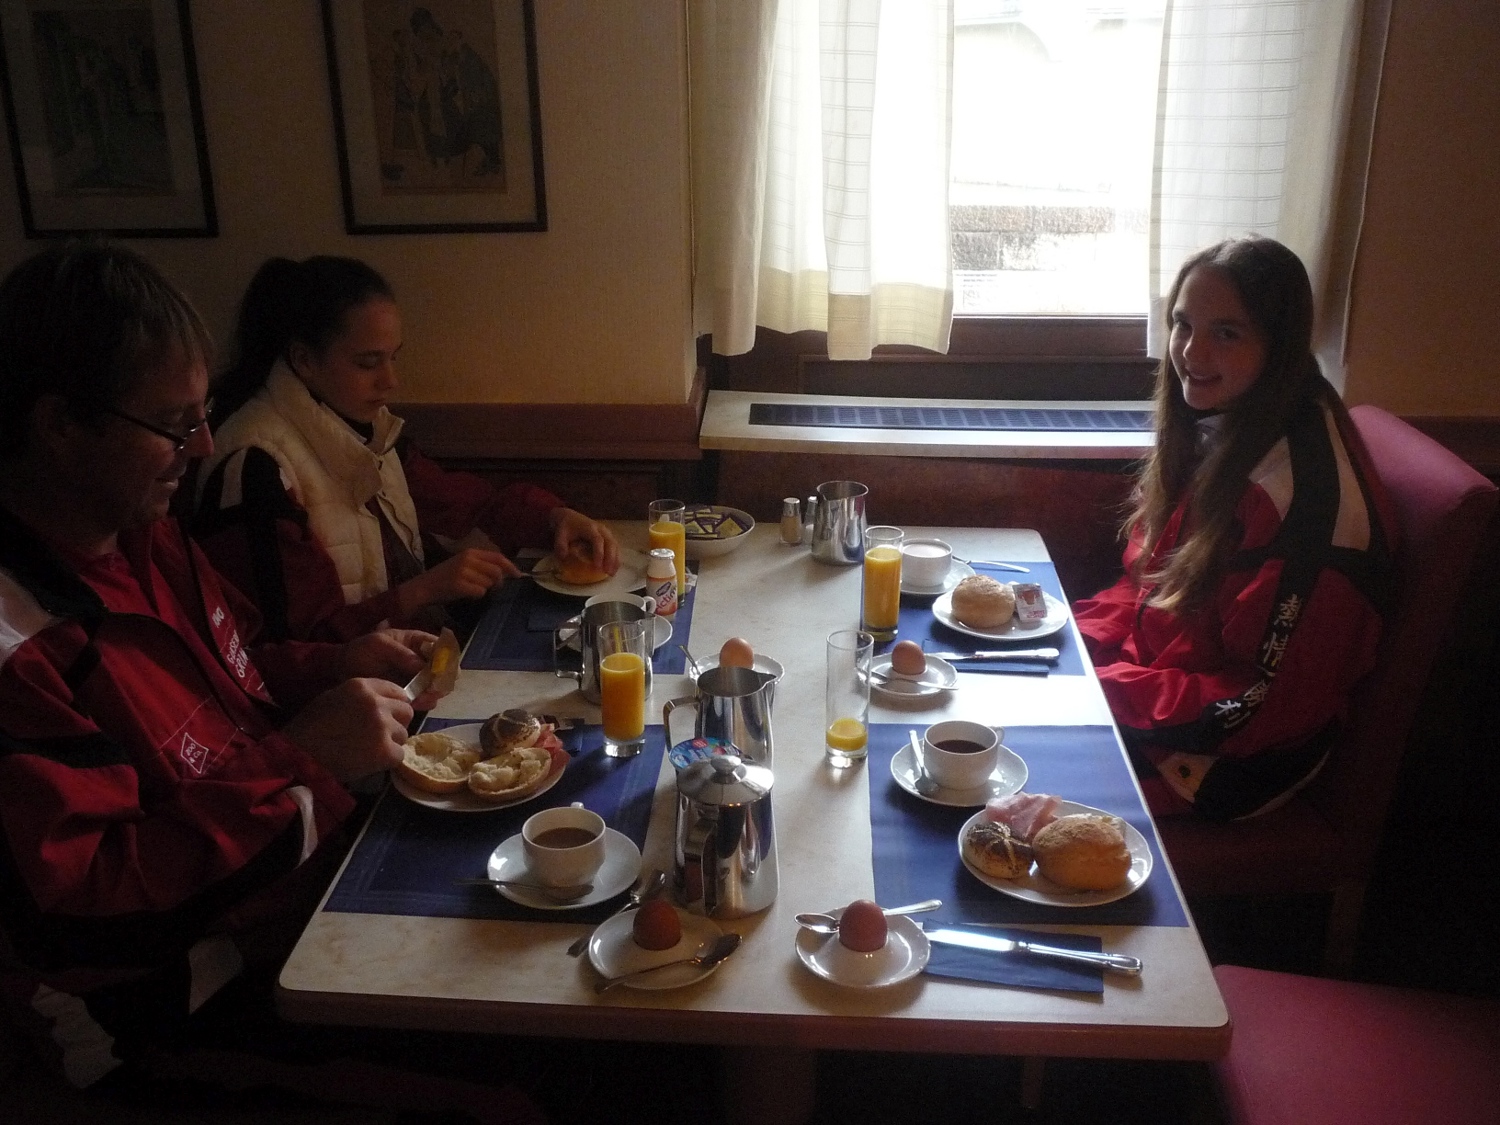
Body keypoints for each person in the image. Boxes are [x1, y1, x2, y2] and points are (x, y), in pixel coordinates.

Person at [0, 243, 552, 1121]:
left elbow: (244, 673)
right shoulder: (22, 646)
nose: (202, 446)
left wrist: (338, 662)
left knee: (542, 963)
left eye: (202, 416)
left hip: (296, 892)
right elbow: (86, 916)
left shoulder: (147, 537)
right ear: (60, 423)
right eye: (173, 425)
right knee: (513, 1095)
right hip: (169, 1007)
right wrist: (302, 760)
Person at [1072, 235, 1395, 821]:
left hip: (1228, 761)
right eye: (1182, 324)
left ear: (1280, 346)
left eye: (1226, 333)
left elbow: (1259, 706)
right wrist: (1067, 643)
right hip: (1163, 692)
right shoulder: (1224, 426)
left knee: (998, 783)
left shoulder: (1300, 506)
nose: (1191, 352)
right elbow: (1149, 589)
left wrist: (1095, 688)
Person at [193, 255, 617, 644]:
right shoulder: (255, 467)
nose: (391, 381)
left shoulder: (366, 430)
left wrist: (554, 517)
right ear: (303, 360)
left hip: (406, 664)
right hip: (339, 695)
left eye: (393, 358)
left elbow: (468, 503)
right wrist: (424, 589)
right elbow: (290, 650)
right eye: (368, 363)